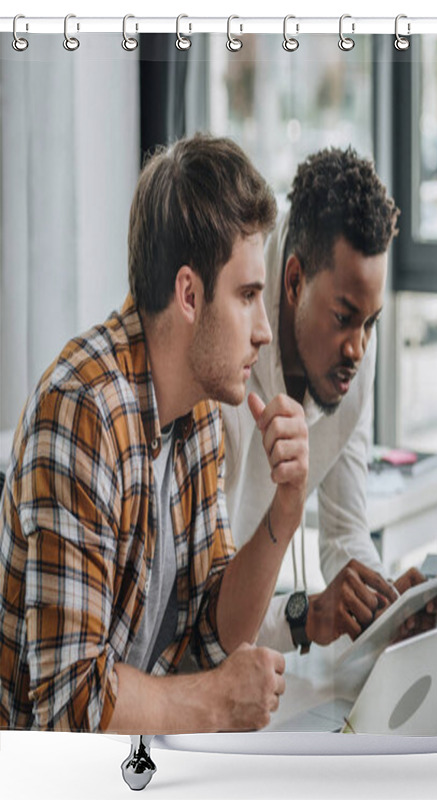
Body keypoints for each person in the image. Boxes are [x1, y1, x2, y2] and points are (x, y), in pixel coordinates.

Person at [0, 134, 309, 734]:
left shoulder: (196, 414)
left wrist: (287, 508)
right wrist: (218, 702)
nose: (265, 330)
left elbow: (212, 636)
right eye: (247, 296)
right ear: (189, 294)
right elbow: (71, 708)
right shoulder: (82, 412)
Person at [222, 147, 437, 654]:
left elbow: (345, 530)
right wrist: (309, 615)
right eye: (344, 318)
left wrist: (382, 602)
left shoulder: (354, 347)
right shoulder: (227, 351)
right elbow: (203, 613)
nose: (358, 349)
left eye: (371, 322)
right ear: (295, 280)